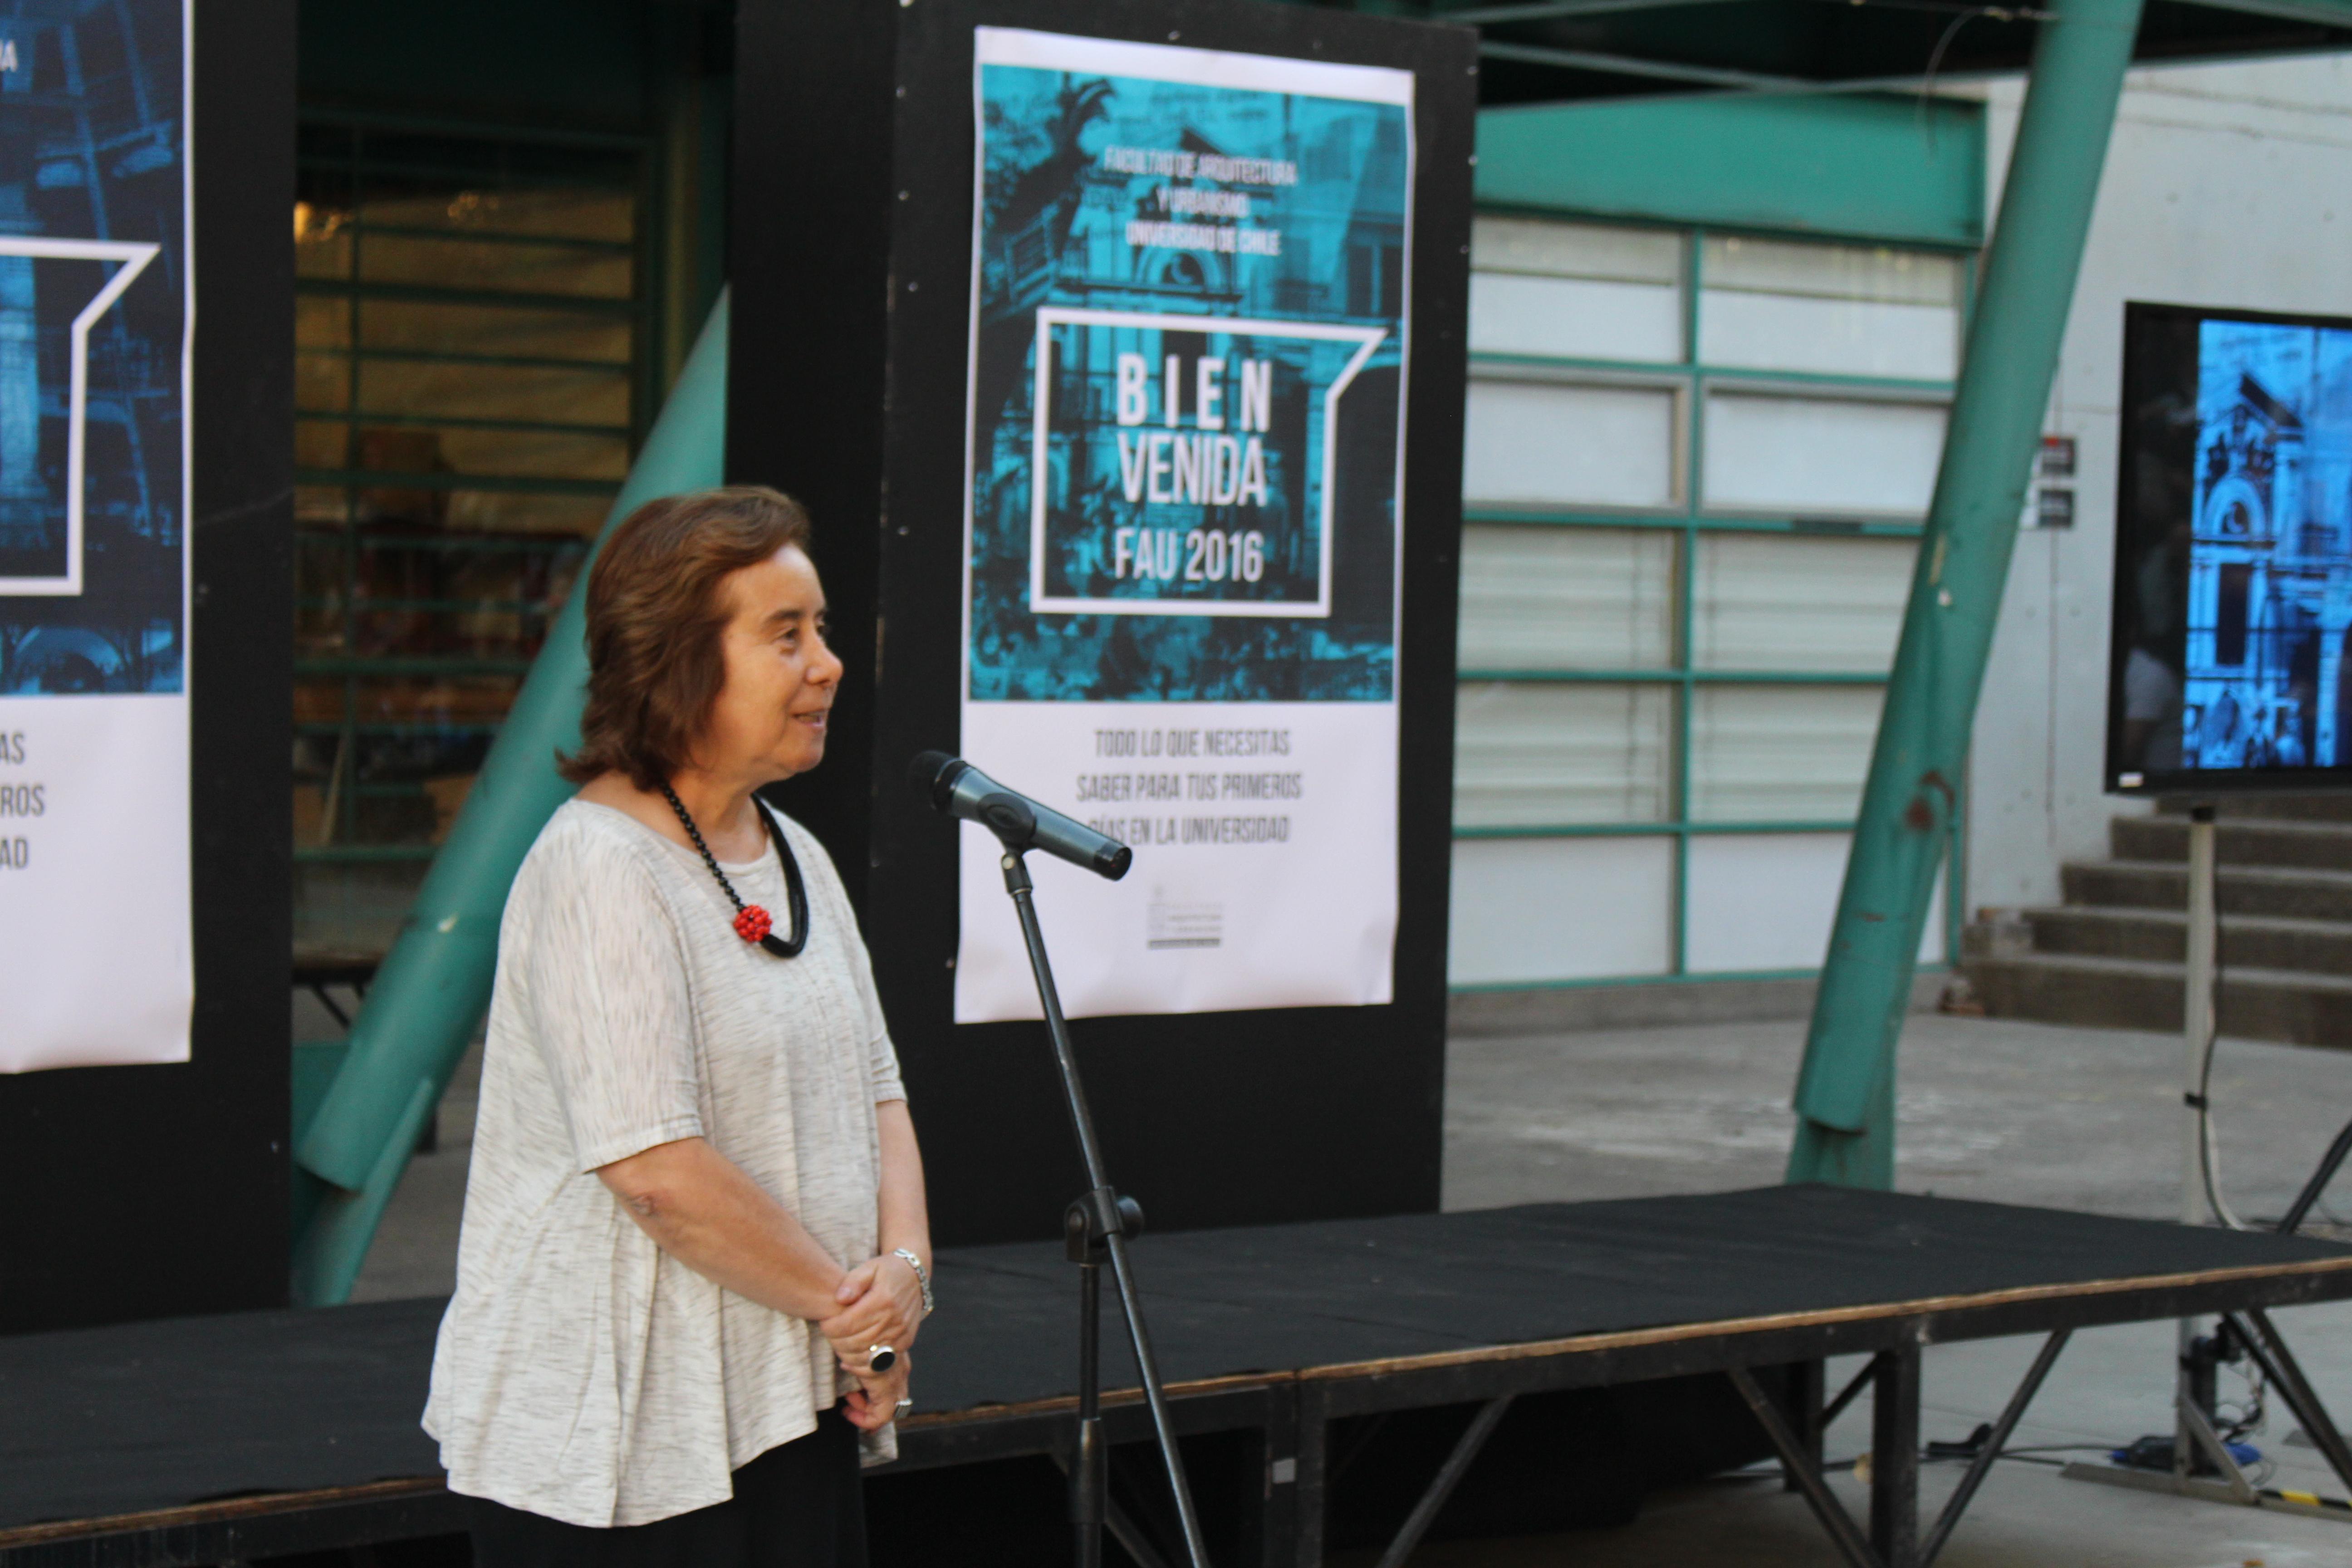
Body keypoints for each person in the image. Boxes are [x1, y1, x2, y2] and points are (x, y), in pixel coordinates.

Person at [424, 487, 931, 1568]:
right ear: (676, 663)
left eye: (823, 630)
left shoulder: (798, 855)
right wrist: (860, 1318)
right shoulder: (599, 868)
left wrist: (903, 1272)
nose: (827, 663)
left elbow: (877, 1088)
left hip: (793, 1391)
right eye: (785, 635)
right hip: (621, 1437)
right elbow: (655, 1169)